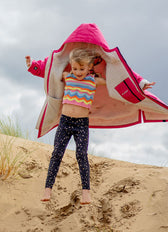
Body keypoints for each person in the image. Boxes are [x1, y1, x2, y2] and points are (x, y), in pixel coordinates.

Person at [25, 48, 155, 204]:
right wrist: (33, 65)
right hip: (65, 121)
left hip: (81, 124)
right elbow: (50, 69)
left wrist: (139, 84)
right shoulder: (67, 76)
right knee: (57, 153)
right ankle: (48, 189)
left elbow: (117, 80)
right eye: (75, 68)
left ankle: (86, 192)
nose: (78, 72)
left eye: (81, 69)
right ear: (71, 66)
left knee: (81, 155)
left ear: (89, 67)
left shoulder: (93, 80)